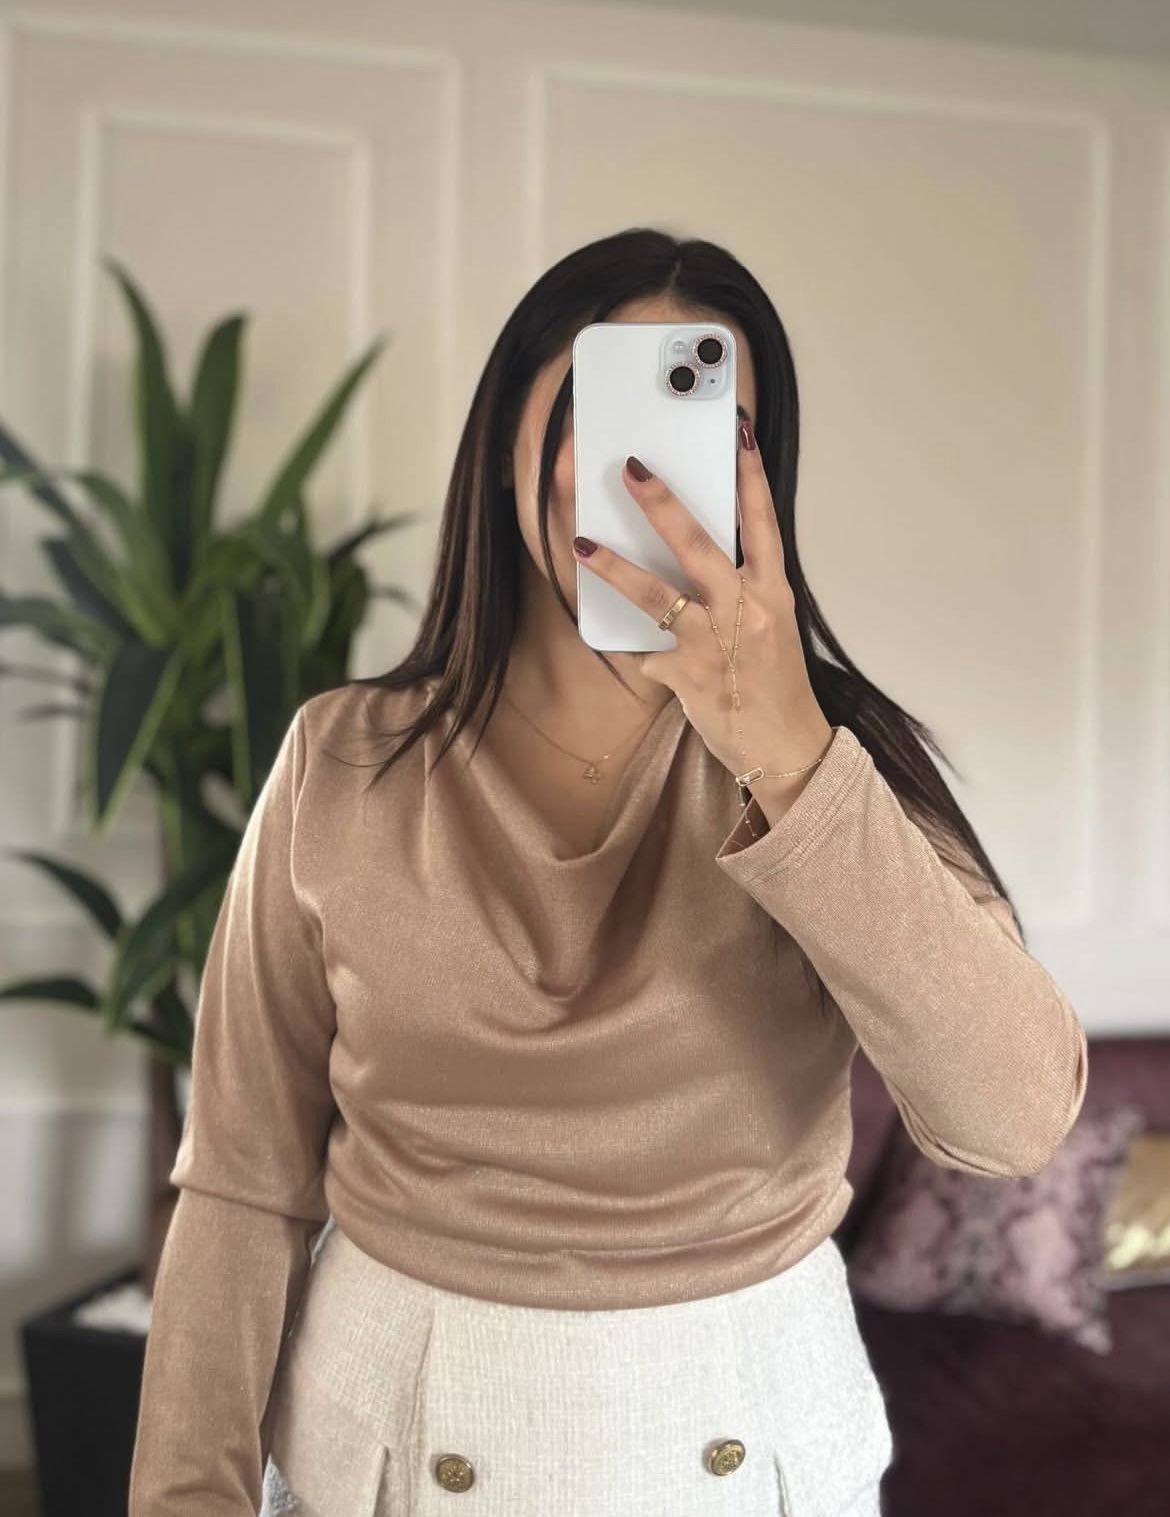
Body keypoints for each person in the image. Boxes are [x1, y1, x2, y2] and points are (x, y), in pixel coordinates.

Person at [128, 227, 1088, 1517]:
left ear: (760, 473)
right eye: (601, 407)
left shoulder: (831, 759)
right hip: (390, 1449)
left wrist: (790, 758)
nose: (648, 470)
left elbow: (1013, 1118)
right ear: (504, 442)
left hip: (751, 1452)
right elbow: (242, 1183)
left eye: (710, 427)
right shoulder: (340, 762)